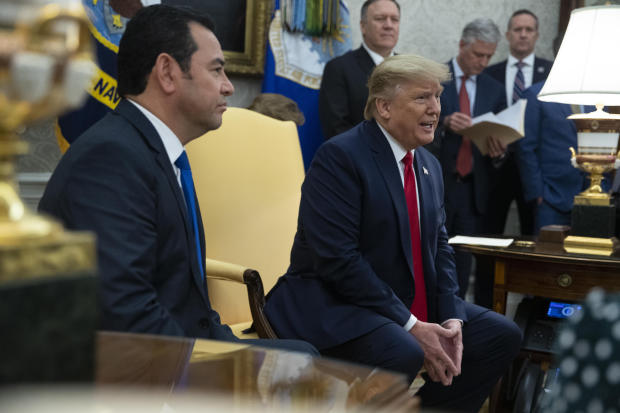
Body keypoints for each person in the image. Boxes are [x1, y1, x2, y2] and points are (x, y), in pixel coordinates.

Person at [38, 5, 315, 354]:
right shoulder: (110, 159)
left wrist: (236, 353)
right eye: (216, 70)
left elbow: (191, 308)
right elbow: (127, 314)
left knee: (303, 357)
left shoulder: (162, 155)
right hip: (128, 377)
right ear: (167, 73)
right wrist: (225, 368)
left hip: (173, 350)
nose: (229, 87)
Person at [265, 54, 521, 412]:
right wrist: (412, 324)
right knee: (404, 347)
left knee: (500, 335)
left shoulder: (428, 164)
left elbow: (440, 247)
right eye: (422, 98)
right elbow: (338, 260)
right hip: (334, 302)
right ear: (384, 107)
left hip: (402, 299)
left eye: (437, 96)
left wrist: (449, 318)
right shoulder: (341, 157)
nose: (436, 108)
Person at [431, 18, 506, 300]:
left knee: (462, 268)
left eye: (489, 55)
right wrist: (444, 122)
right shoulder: (436, 77)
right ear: (462, 45)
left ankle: (456, 324)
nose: (484, 62)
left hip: (473, 191)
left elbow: (499, 139)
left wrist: (499, 151)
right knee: (431, 259)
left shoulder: (494, 89)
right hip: (437, 184)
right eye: (478, 55)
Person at [484, 9, 554, 237]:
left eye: (529, 30)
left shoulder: (552, 72)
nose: (523, 34)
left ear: (536, 35)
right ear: (508, 35)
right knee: (490, 236)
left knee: (531, 237)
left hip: (535, 170)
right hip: (497, 168)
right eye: (518, 29)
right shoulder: (489, 72)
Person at [318, 0, 400, 139]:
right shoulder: (339, 68)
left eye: (394, 19)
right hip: (359, 157)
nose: (388, 25)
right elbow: (336, 128)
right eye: (380, 19)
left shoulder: (412, 70)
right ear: (363, 26)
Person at [517, 82, 590, 232]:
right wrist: (537, 192)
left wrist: (605, 187)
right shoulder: (536, 94)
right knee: (549, 251)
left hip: (590, 197)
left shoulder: (596, 96)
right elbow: (526, 147)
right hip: (551, 197)